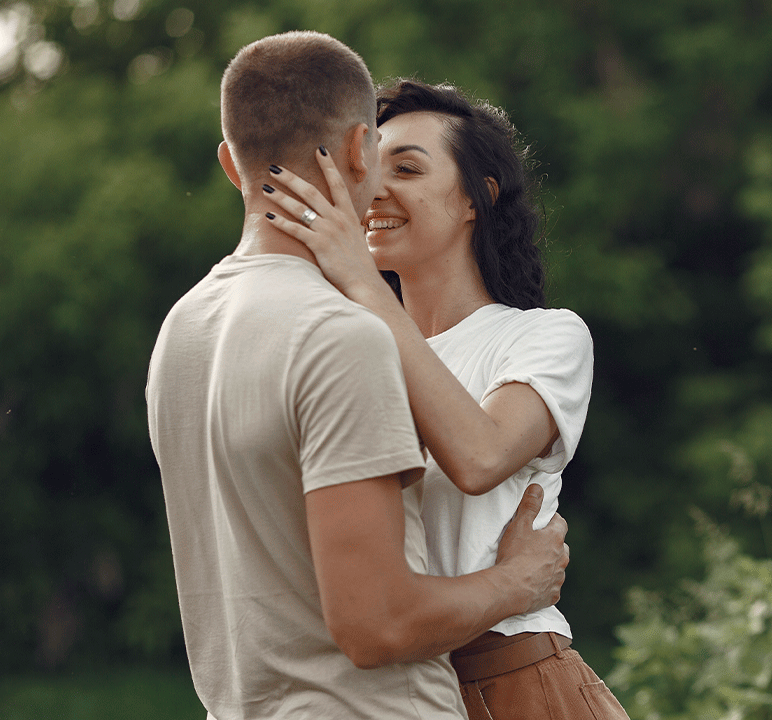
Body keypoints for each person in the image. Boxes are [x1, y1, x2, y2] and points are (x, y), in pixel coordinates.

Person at [145, 34, 569, 720]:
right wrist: (517, 583)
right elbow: (378, 625)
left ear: (230, 164)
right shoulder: (340, 337)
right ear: (355, 152)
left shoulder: (183, 328)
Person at [260, 79, 629, 719]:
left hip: (515, 680)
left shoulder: (544, 336)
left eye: (406, 168)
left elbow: (480, 457)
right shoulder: (346, 345)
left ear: (476, 199)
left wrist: (360, 282)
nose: (375, 190)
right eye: (369, 170)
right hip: (390, 696)